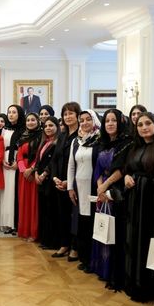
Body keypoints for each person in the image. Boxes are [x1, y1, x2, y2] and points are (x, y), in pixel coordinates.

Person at [122, 112, 154, 300]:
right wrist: (127, 176)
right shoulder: (136, 146)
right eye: (140, 124)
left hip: (152, 201)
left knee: (148, 241)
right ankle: (133, 283)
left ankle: (149, 287)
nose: (144, 127)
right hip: (135, 200)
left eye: (148, 123)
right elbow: (128, 168)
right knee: (133, 239)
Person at [89, 109, 131, 283]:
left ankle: (112, 270)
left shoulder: (128, 143)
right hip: (102, 191)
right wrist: (100, 188)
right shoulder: (102, 143)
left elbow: (123, 168)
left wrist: (106, 187)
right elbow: (97, 168)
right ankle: (101, 267)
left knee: (114, 229)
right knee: (101, 227)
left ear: (121, 122)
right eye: (107, 121)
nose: (110, 124)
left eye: (114, 120)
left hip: (117, 191)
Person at [67, 110, 101, 273]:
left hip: (94, 187)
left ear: (94, 120)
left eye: (89, 119)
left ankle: (94, 261)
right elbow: (71, 166)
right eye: (82, 120)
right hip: (78, 189)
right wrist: (70, 187)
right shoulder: (76, 141)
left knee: (93, 223)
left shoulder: (100, 140)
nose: (85, 123)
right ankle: (85, 258)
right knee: (82, 224)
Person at [50, 102, 81, 259]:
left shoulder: (82, 136)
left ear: (77, 115)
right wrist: (55, 178)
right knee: (61, 214)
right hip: (59, 182)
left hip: (74, 184)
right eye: (65, 114)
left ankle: (75, 247)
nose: (68, 117)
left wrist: (69, 182)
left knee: (74, 216)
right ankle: (64, 244)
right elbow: (54, 159)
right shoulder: (61, 136)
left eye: (71, 113)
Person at [16, 112, 42, 241]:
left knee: (33, 203)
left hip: (34, 172)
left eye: (33, 120)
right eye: (28, 120)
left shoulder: (41, 136)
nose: (30, 122)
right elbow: (19, 155)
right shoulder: (23, 136)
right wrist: (23, 170)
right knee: (24, 202)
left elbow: (40, 155)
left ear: (38, 122)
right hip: (23, 174)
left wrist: (31, 170)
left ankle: (33, 232)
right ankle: (24, 230)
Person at [0, 105, 26, 234]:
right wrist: (1, 160)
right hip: (5, 160)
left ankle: (16, 223)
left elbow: (22, 147)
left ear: (19, 114)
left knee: (14, 192)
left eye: (14, 112)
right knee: (6, 192)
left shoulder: (24, 129)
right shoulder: (5, 129)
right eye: (9, 112)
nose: (11, 115)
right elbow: (1, 145)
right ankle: (7, 222)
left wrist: (17, 162)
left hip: (16, 160)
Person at [35, 116, 60, 248]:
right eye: (46, 126)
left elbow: (52, 162)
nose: (48, 128)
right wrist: (36, 173)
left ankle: (52, 242)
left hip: (50, 181)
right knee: (43, 211)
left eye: (51, 125)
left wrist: (44, 174)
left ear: (57, 127)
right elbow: (38, 160)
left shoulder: (57, 143)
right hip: (40, 180)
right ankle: (44, 239)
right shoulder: (44, 142)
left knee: (51, 212)